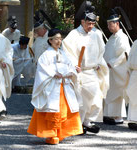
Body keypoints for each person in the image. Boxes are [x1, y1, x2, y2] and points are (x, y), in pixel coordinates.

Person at [27, 28, 83, 144]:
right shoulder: (45, 55)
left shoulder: (64, 54)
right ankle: (51, 134)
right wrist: (53, 73)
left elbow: (70, 66)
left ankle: (60, 133)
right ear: (50, 40)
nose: (59, 41)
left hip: (64, 86)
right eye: (56, 39)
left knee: (64, 110)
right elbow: (42, 69)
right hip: (52, 86)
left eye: (60, 39)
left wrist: (73, 70)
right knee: (52, 111)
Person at [62, 2, 109, 134]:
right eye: (89, 24)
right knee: (81, 100)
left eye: (93, 24)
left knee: (96, 98)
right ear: (82, 21)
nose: (91, 26)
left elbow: (101, 51)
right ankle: (79, 123)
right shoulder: (73, 34)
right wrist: (74, 65)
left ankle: (88, 121)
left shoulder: (97, 34)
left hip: (92, 71)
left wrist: (99, 63)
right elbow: (67, 51)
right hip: (80, 72)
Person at [103, 9, 130, 125]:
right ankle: (109, 115)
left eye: (110, 24)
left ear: (117, 24)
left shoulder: (122, 37)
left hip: (118, 70)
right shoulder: (111, 38)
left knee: (117, 93)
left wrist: (112, 63)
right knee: (109, 91)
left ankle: (117, 116)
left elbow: (124, 54)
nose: (109, 27)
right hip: (109, 70)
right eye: (108, 24)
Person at [126, 40, 137, 130]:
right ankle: (133, 120)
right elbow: (130, 59)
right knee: (133, 96)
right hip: (134, 73)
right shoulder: (135, 42)